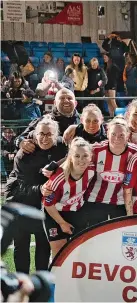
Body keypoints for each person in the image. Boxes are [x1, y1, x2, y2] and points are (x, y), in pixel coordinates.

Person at [5, 116, 68, 273]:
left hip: (45, 206)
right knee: (21, 246)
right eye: (41, 134)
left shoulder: (62, 146)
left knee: (43, 246)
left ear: (56, 136)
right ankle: (22, 284)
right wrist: (40, 188)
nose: (45, 138)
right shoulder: (23, 154)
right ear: (35, 134)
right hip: (20, 201)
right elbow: (21, 187)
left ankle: (41, 286)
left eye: (49, 135)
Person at [80, 117, 137, 227]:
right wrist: (54, 167)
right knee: (95, 236)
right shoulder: (96, 149)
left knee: (118, 236)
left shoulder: (134, 152)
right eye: (113, 134)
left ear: (128, 136)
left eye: (121, 135)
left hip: (120, 202)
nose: (117, 138)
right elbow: (74, 155)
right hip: (95, 199)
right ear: (107, 134)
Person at [42, 137, 95, 257]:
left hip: (76, 210)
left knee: (79, 250)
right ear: (70, 157)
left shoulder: (92, 169)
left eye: (85, 156)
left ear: (91, 157)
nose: (81, 160)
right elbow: (48, 204)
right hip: (55, 213)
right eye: (77, 156)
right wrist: (62, 223)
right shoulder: (58, 178)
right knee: (59, 251)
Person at [16, 88, 80, 152]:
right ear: (55, 103)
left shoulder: (84, 121)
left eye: (69, 98)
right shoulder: (44, 120)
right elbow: (20, 138)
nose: (66, 100)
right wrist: (21, 143)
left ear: (75, 103)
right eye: (62, 98)